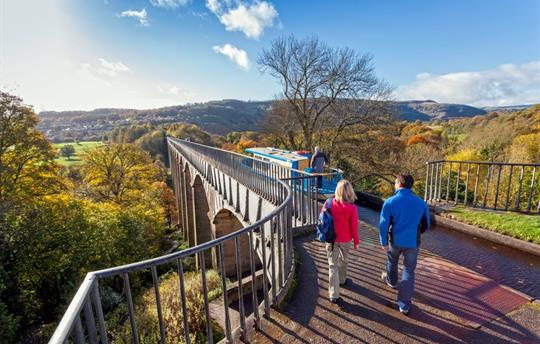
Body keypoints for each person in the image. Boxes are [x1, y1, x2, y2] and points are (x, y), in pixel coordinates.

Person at [379, 174, 430, 315]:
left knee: (392, 260)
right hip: (413, 242)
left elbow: (383, 225)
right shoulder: (421, 203)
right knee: (409, 271)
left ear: (399, 183)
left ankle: (392, 281)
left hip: (395, 241)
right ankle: (404, 305)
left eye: (395, 182)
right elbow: (427, 224)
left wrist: (383, 242)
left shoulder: (390, 202)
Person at [323, 179, 359, 303]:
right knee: (344, 260)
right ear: (350, 192)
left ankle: (333, 294)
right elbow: (353, 226)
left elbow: (323, 219)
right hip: (346, 239)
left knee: (332, 265)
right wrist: (356, 241)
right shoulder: (352, 208)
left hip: (331, 238)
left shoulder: (328, 203)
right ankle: (342, 279)